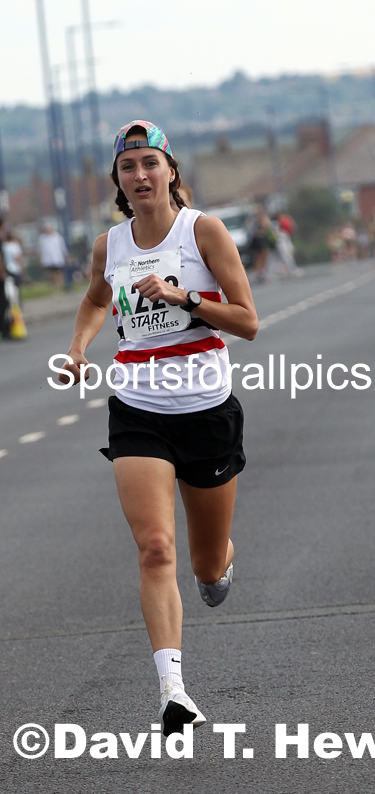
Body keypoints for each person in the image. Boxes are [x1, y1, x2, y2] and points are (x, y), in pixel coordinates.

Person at [59, 120, 258, 735]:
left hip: (206, 408)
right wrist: (78, 348)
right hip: (138, 408)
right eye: (128, 167)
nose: (140, 175)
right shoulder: (110, 246)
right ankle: (173, 690)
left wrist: (182, 298)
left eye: (150, 163)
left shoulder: (204, 231)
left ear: (171, 171)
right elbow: (97, 300)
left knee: (203, 566)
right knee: (154, 547)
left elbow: (248, 321)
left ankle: (219, 564)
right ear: (118, 181)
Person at [38, 222, 68, 288]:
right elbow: (40, 250)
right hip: (47, 259)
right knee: (50, 273)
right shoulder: (42, 238)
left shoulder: (57, 237)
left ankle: (59, 285)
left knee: (58, 273)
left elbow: (63, 248)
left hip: (57, 258)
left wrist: (65, 257)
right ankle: (53, 285)